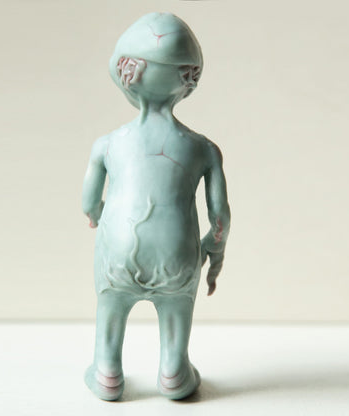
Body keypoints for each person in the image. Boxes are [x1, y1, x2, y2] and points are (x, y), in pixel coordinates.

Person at [82, 12, 230, 401]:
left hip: (118, 251)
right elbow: (219, 216)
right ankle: (174, 372)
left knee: (112, 302)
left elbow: (89, 204)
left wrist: (99, 216)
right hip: (176, 252)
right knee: (177, 303)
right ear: (188, 80)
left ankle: (107, 371)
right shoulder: (204, 149)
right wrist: (214, 247)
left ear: (126, 74)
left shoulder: (107, 145)